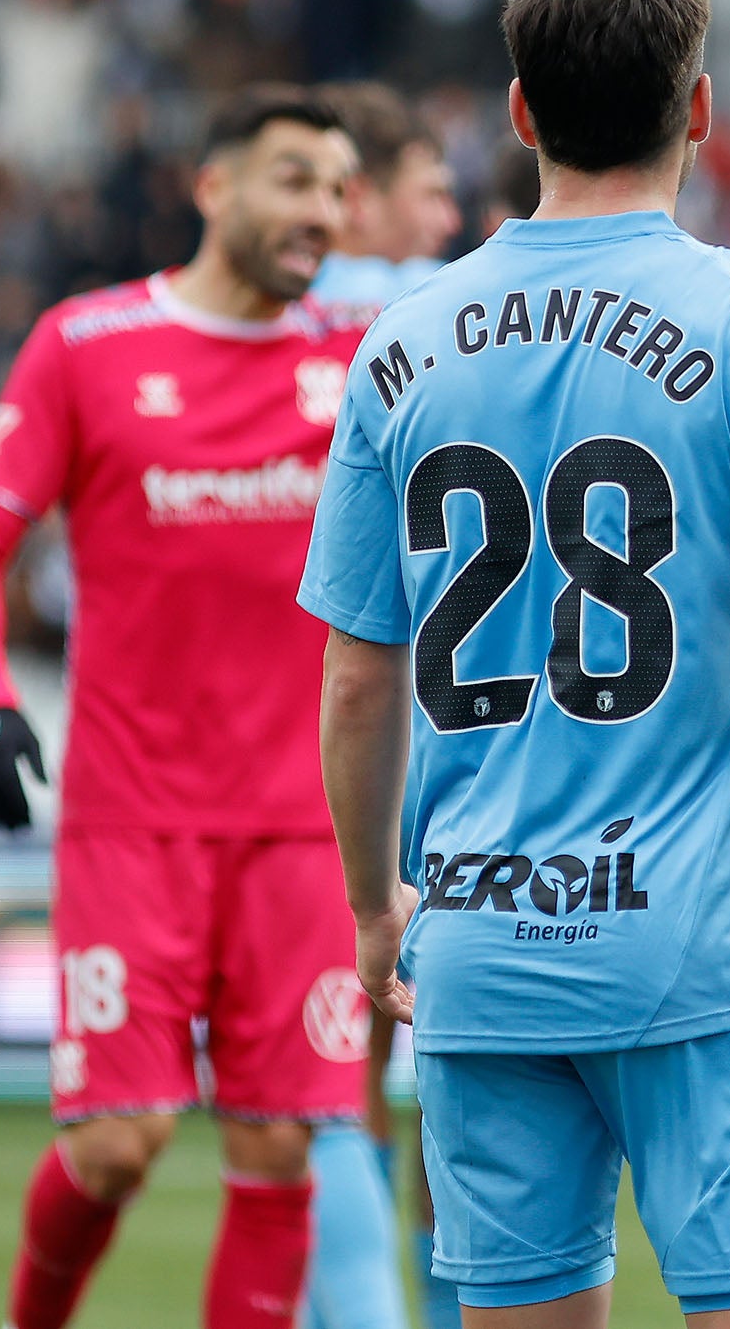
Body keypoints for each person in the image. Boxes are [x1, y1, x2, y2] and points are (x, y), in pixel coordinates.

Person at [302, 0, 730, 1323]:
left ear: (518, 114)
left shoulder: (402, 340)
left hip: (477, 948)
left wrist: (367, 908)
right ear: (699, 111)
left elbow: (358, 679)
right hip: (703, 954)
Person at [0, 86, 375, 1329]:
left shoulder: (360, 359)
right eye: (295, 178)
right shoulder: (88, 344)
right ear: (213, 185)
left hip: (304, 833)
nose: (322, 211)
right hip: (135, 823)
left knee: (284, 1149)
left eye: (339, 188)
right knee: (118, 1146)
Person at [303, 79, 464, 1329]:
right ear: (368, 198)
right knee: (452, 1071)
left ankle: (343, 1304)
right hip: (460, 741)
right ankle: (424, 1288)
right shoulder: (445, 315)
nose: (451, 212)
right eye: (430, 190)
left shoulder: (271, 318)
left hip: (334, 731)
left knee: (338, 1059)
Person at [314, 82, 461, 307]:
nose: (451, 223)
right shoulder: (430, 299)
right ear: (357, 200)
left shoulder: (266, 302)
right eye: (432, 195)